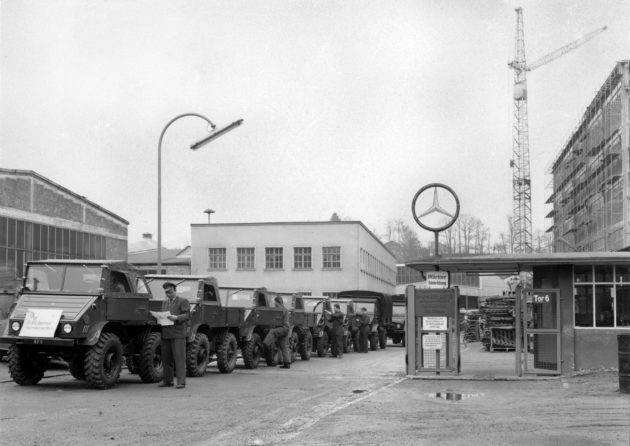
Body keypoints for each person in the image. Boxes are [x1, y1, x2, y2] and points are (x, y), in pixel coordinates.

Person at [158, 282, 190, 389]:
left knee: (179, 358)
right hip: (166, 333)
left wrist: (176, 318)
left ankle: (181, 382)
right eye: (166, 292)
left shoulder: (183, 301)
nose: (168, 294)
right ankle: (168, 381)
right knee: (166, 359)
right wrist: (159, 318)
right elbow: (163, 314)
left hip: (178, 334)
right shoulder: (164, 303)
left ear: (175, 290)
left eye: (170, 292)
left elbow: (187, 315)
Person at [263, 296, 291, 369]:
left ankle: (264, 345)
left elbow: (278, 320)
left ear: (278, 302)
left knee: (272, 332)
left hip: (283, 328)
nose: (274, 304)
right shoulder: (284, 309)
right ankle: (287, 363)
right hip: (285, 329)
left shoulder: (281, 310)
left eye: (275, 302)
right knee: (283, 346)